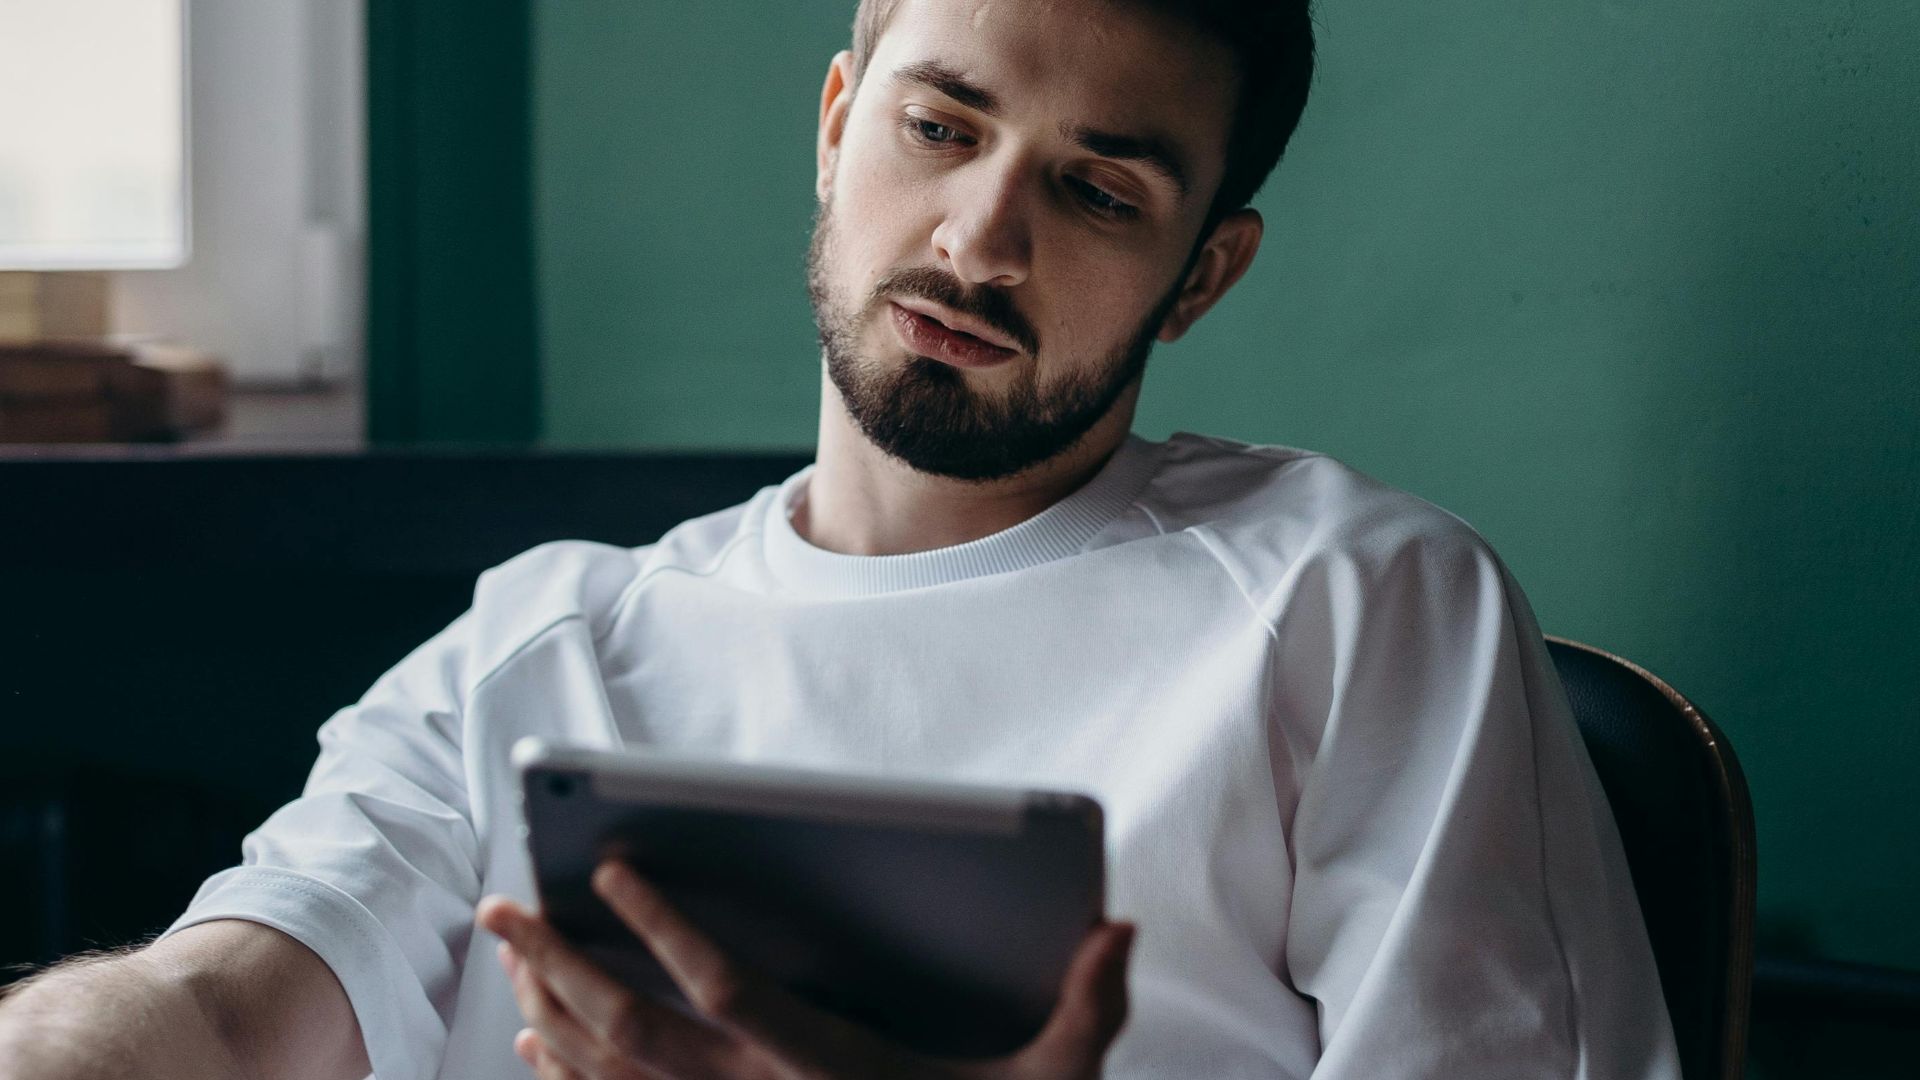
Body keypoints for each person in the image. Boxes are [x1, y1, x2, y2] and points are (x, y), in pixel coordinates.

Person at [0, 1, 1683, 1077]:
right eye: (939, 128)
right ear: (834, 121)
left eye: (1100, 192)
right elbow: (215, 1008)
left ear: (1206, 272)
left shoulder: (1351, 601)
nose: (980, 235)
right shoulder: (548, 641)